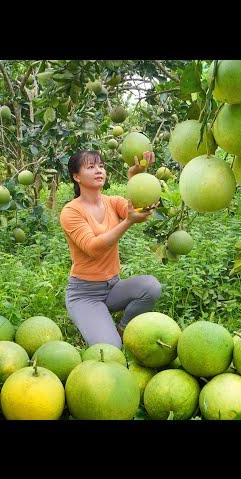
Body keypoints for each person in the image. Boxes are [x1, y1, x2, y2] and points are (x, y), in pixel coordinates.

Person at [59, 149, 163, 349]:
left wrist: (137, 176)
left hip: (113, 286)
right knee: (111, 349)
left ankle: (122, 330)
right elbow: (93, 248)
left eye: (101, 166)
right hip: (85, 294)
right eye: (91, 167)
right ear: (76, 176)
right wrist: (127, 222)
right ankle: (95, 318)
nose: (99, 171)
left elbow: (142, 210)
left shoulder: (112, 202)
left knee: (151, 287)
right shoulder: (71, 211)